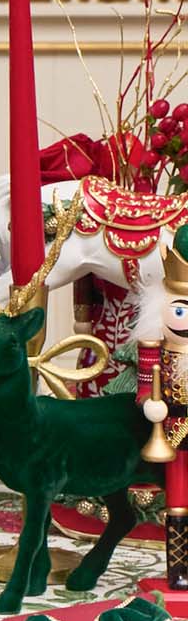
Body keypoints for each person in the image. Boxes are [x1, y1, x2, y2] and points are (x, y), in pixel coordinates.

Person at [138, 229, 188, 595]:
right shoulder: (155, 350)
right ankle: (179, 569)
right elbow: (143, 390)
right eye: (181, 309)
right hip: (174, 430)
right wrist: (150, 403)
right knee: (178, 500)